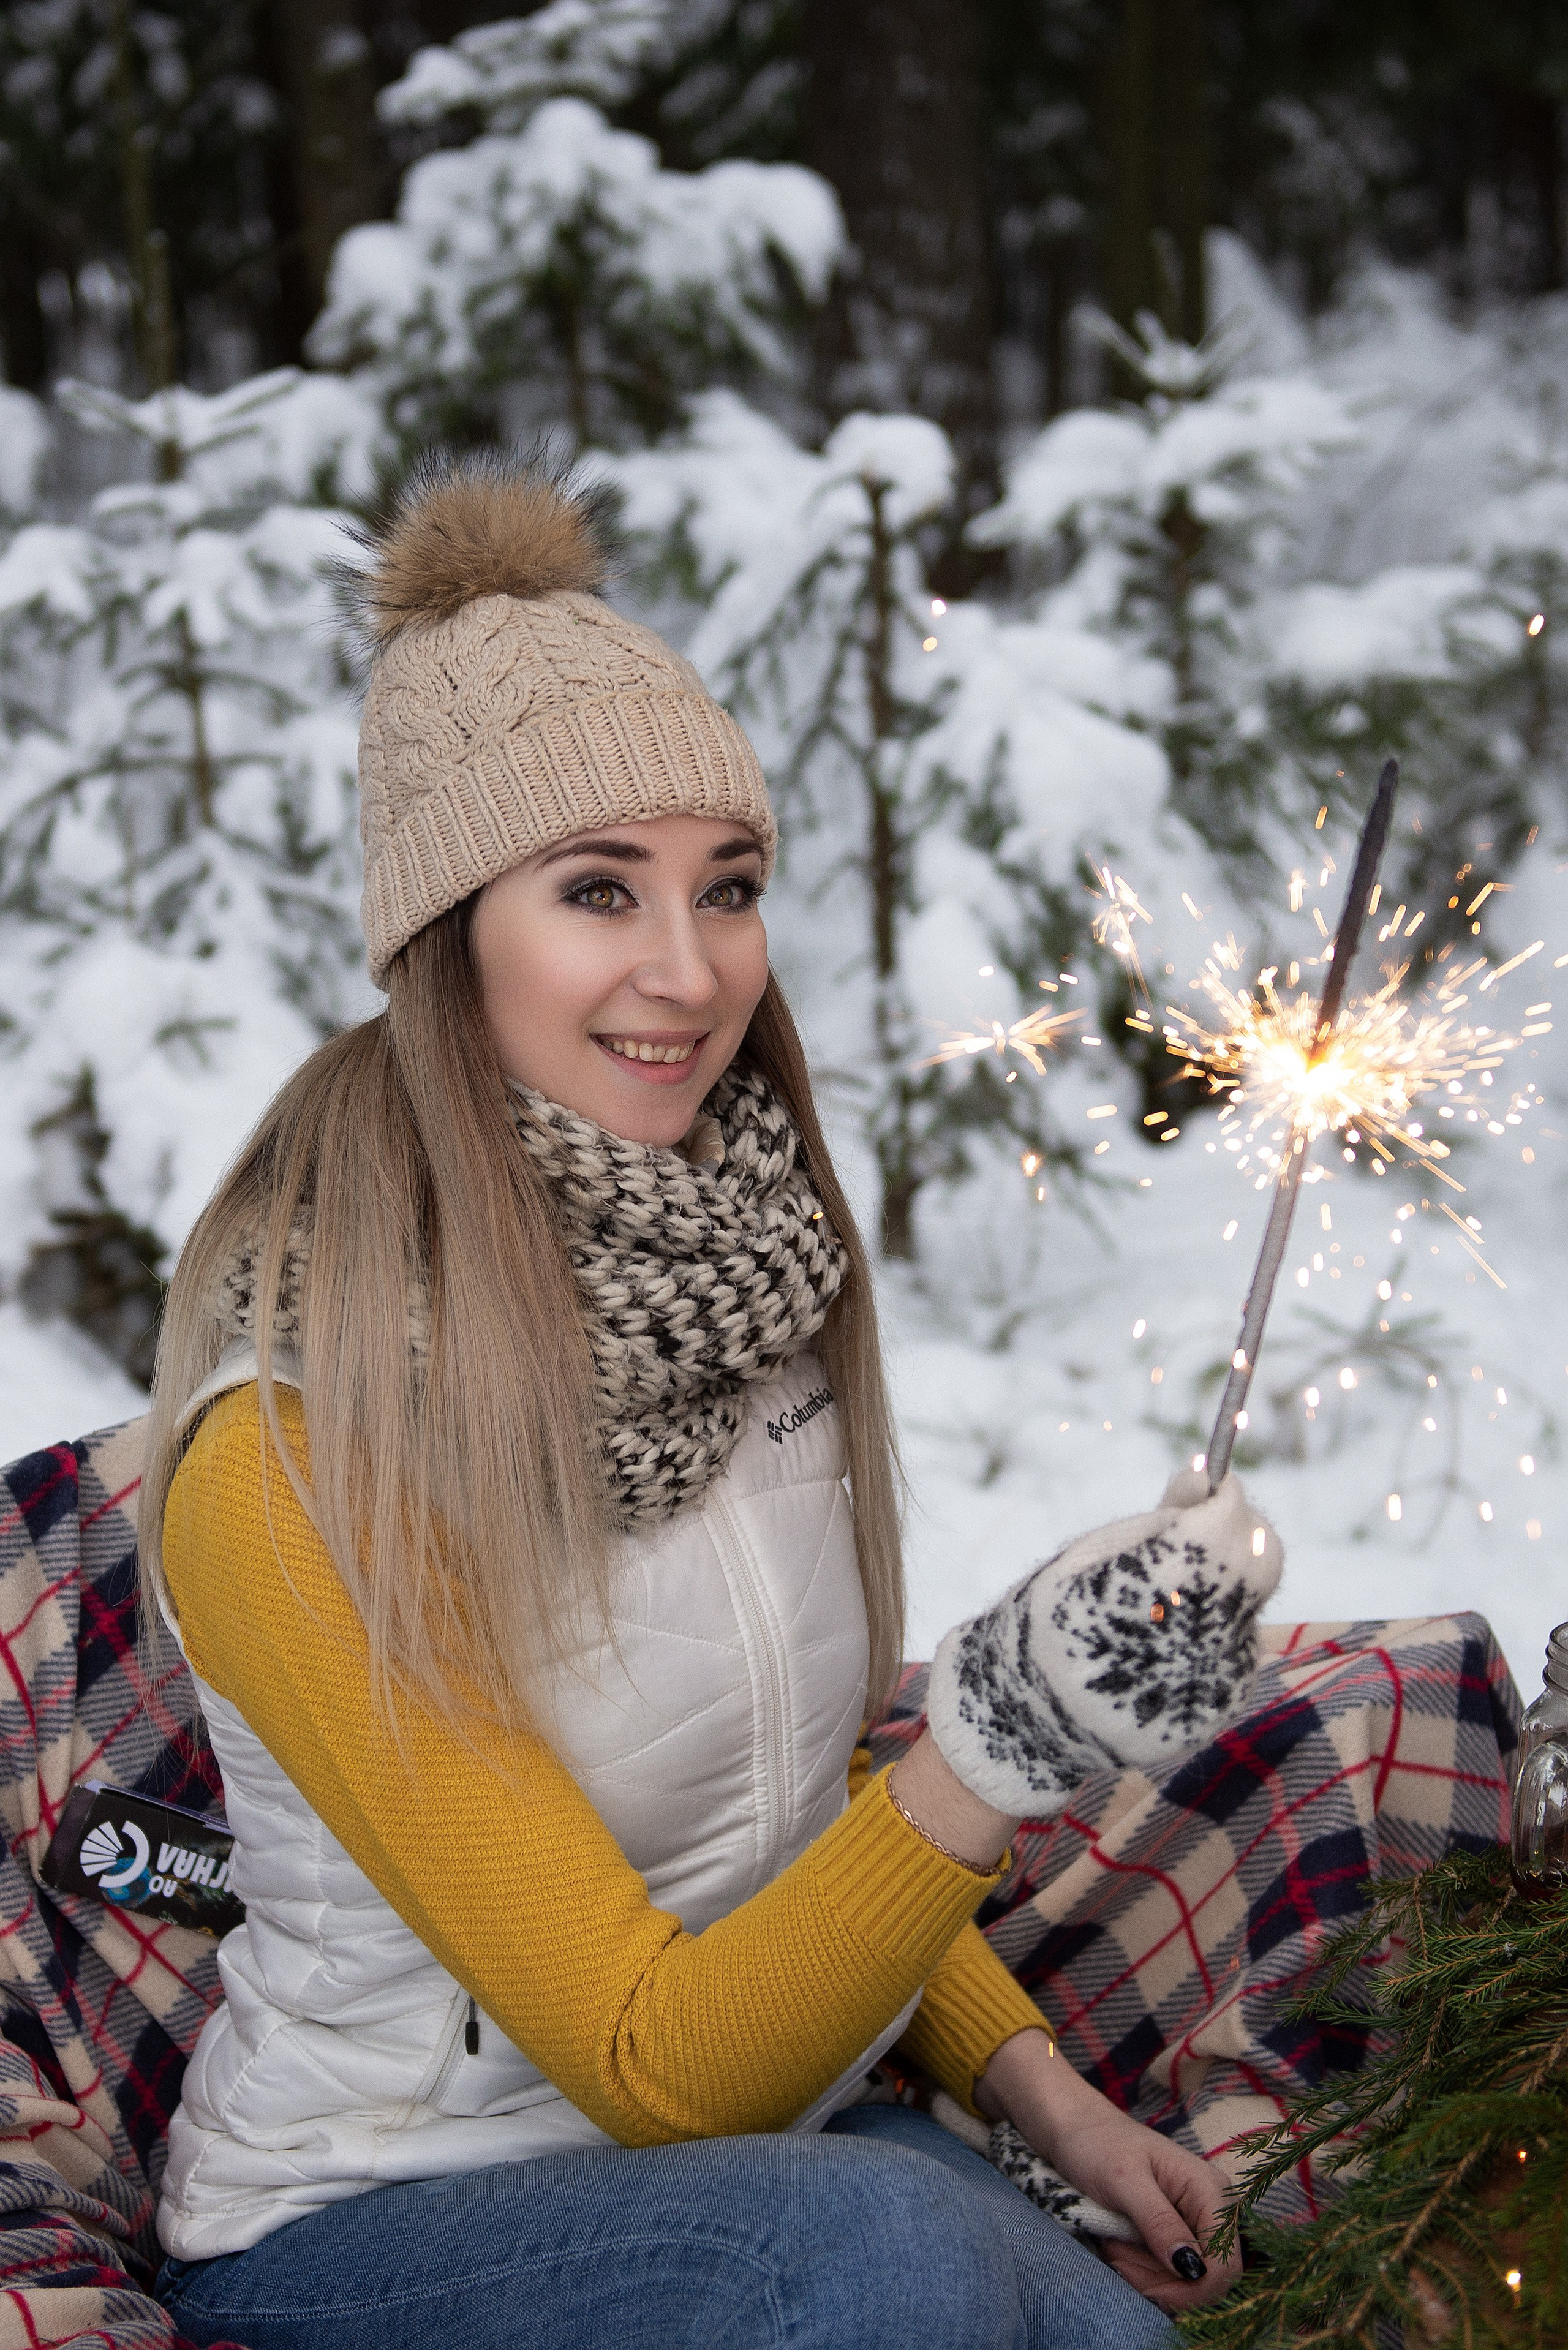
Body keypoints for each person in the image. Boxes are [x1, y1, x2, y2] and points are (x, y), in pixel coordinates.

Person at [140, 455, 1281, 2350]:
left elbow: (793, 1802)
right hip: (381, 2226)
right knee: (894, 2270)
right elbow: (657, 2071)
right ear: (449, 939)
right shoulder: (287, 1448)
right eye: (602, 891)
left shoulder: (739, 1282)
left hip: (777, 2157)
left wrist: (1054, 2107)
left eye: (727, 888)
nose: (693, 973)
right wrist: (999, 1739)